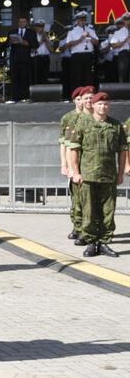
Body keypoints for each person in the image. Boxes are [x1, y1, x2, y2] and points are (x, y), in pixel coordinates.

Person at [68, 91, 126, 258]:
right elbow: (74, 149)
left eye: (106, 104)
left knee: (108, 212)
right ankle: (92, 243)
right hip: (88, 176)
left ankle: (104, 242)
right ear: (92, 105)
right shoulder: (83, 123)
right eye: (99, 104)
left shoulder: (115, 125)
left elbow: (122, 151)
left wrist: (120, 173)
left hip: (108, 176)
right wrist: (76, 172)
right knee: (89, 211)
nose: (103, 106)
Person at [65, 86, 95, 246]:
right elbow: (69, 147)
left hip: (93, 167)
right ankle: (79, 227)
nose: (89, 102)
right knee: (78, 201)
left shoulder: (99, 118)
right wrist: (70, 168)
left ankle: (90, 231)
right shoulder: (74, 120)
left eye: (91, 98)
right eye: (85, 99)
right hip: (79, 166)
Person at [60, 87, 85, 241]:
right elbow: (65, 145)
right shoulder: (68, 118)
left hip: (89, 164)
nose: (82, 102)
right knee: (76, 198)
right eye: (79, 99)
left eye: (86, 98)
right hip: (74, 162)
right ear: (75, 100)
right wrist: (65, 165)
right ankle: (77, 225)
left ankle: (86, 228)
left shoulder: (93, 117)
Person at [65, 11, 99, 93]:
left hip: (88, 55)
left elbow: (96, 42)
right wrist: (80, 39)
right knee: (77, 76)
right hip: (77, 56)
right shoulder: (72, 31)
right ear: (77, 20)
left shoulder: (90, 30)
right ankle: (77, 94)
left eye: (84, 19)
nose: (83, 21)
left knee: (88, 76)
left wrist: (89, 36)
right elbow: (68, 44)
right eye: (81, 19)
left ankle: (88, 93)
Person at [7, 16, 38, 101]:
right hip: (14, 59)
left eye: (23, 22)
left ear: (26, 23)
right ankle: (15, 97)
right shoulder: (12, 32)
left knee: (25, 78)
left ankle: (25, 97)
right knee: (15, 78)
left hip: (26, 59)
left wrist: (27, 43)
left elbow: (36, 45)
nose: (21, 23)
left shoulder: (31, 32)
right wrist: (10, 42)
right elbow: (6, 44)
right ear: (18, 22)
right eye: (20, 22)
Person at [32, 20, 53, 85]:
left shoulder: (46, 35)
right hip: (36, 58)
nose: (41, 28)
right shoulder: (33, 36)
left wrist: (46, 40)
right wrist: (42, 40)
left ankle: (45, 91)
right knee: (37, 76)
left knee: (45, 75)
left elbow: (51, 49)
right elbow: (33, 48)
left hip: (46, 57)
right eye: (39, 26)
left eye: (42, 26)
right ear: (35, 27)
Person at [111, 13, 130, 83]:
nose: (128, 21)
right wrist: (125, 40)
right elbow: (113, 45)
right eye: (127, 19)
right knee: (123, 74)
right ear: (124, 21)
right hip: (124, 54)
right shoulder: (118, 32)